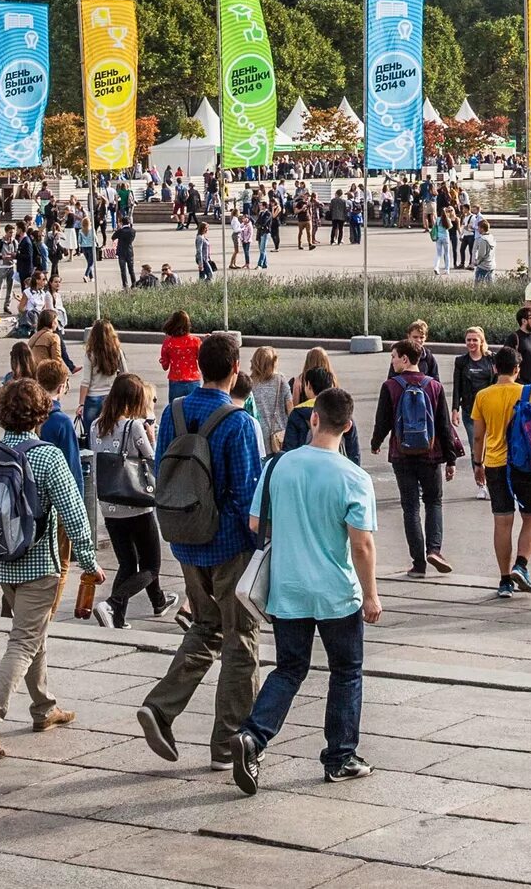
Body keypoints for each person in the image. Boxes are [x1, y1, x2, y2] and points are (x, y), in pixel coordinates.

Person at [228, 385, 383, 792]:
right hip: (336, 592)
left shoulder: (279, 466)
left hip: (288, 587)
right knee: (346, 672)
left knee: (290, 668)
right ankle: (340, 757)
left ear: (314, 419)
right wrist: (371, 594)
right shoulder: (354, 477)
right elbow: (361, 544)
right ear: (348, 427)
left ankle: (253, 736)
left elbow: (256, 524)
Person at [138, 332, 266, 773]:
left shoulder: (174, 411)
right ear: (235, 370)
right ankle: (229, 743)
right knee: (241, 640)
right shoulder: (240, 421)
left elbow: (162, 470)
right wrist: (258, 550)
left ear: (196, 365)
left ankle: (160, 707)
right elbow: (249, 495)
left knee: (206, 625)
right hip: (229, 545)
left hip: (185, 537)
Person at [0, 378, 101, 759]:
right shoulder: (48, 457)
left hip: (3, 564)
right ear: (41, 413)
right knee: (23, 641)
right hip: (40, 567)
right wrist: (89, 562)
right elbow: (74, 515)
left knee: (31, 632)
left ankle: (45, 708)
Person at [372, 342, 463, 578]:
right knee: (433, 502)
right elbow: (444, 426)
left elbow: (383, 420)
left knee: (410, 507)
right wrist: (451, 459)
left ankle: (418, 564)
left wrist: (375, 443)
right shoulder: (433, 386)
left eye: (393, 357)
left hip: (401, 454)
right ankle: (435, 549)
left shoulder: (391, 386)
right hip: (430, 454)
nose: (391, 361)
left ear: (404, 359)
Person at [94, 374, 173, 627]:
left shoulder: (97, 425)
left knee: (127, 563)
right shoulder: (134, 426)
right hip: (136, 505)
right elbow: (152, 459)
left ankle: (117, 618)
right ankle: (112, 603)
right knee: (151, 566)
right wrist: (152, 437)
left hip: (109, 505)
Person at [471, 346, 531, 599]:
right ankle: (521, 565)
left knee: (502, 521)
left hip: (494, 463)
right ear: (517, 369)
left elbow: (479, 436)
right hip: (524, 463)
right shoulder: (528, 392)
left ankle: (504, 581)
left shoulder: (483, 396)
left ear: (494, 368)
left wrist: (477, 464)